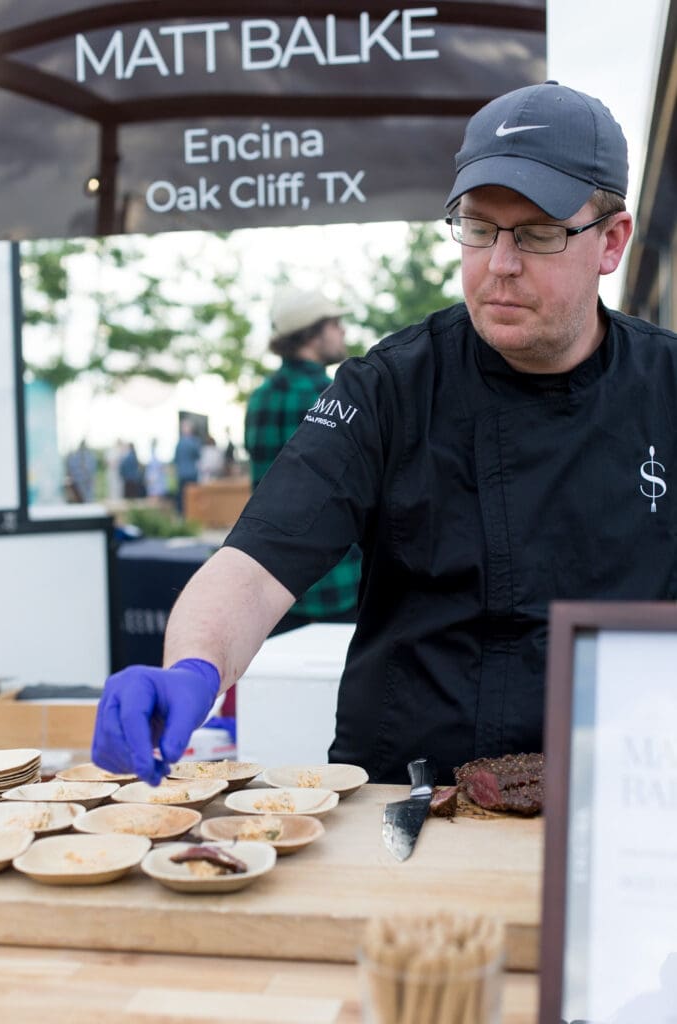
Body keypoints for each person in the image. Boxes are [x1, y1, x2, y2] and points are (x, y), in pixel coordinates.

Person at [93, 81, 668, 789]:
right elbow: (255, 565)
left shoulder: (664, 389)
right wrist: (191, 668)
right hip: (405, 795)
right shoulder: (388, 388)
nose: (499, 264)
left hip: (615, 792)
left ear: (610, 242)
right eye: (478, 228)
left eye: (538, 234)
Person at [244, 285, 361, 634]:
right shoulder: (337, 396)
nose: (342, 331)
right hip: (335, 581)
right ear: (313, 332)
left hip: (271, 579)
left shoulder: (259, 398)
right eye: (335, 323)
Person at [173, 417, 202, 514]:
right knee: (192, 497)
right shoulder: (194, 442)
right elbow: (198, 455)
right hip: (192, 473)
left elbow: (175, 459)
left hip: (181, 473)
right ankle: (192, 514)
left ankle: (183, 515)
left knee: (182, 497)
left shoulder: (179, 443)